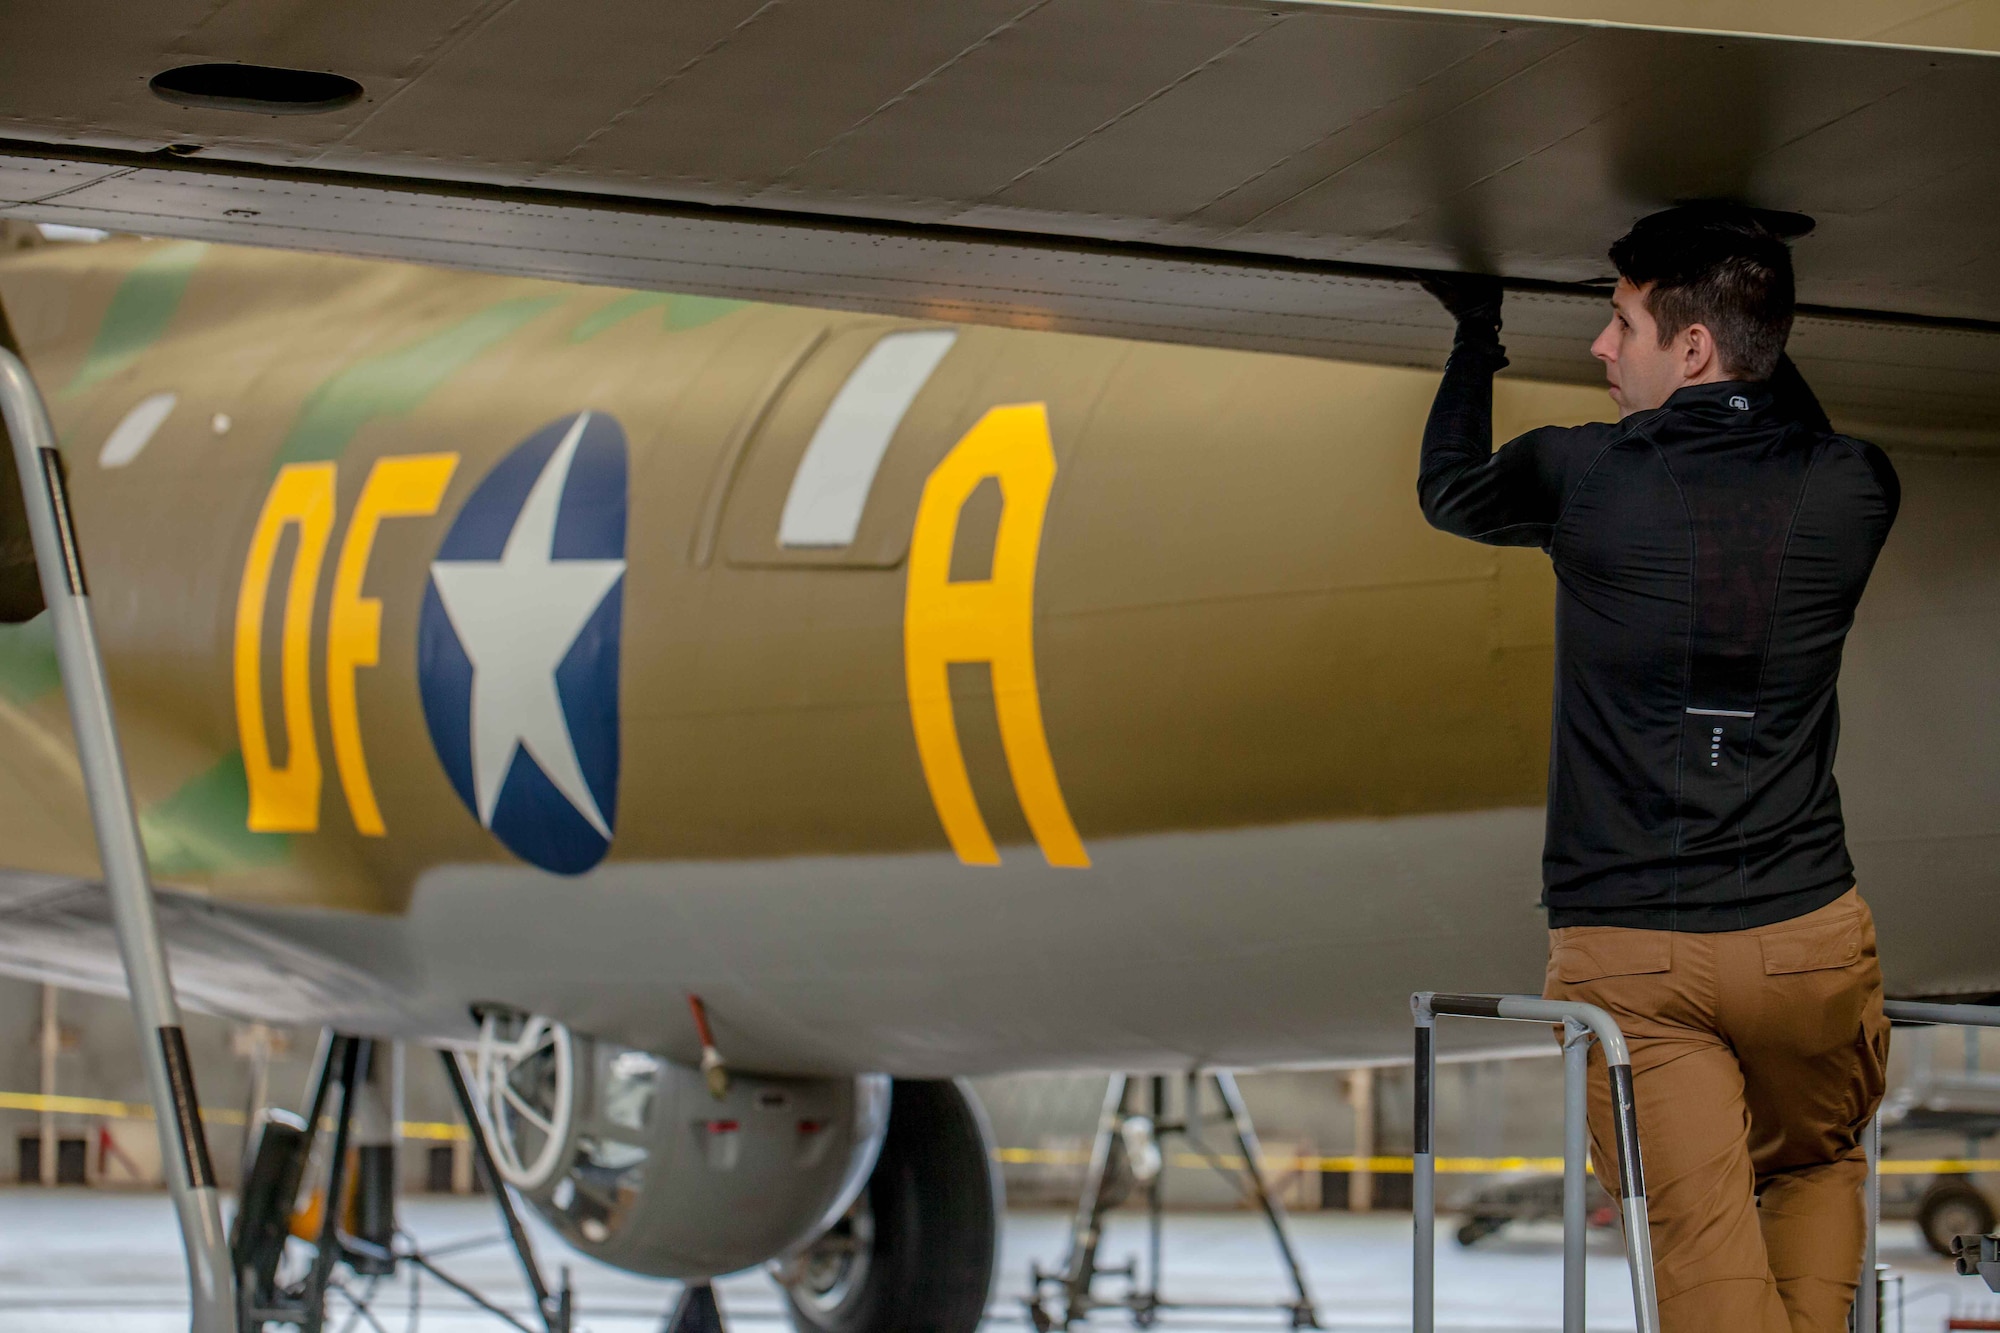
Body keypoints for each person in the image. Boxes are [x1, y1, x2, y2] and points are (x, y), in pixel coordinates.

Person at [1415, 205, 1899, 1332]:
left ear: (1686, 349)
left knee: (1698, 1230)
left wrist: (1473, 331)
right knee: (1814, 1161)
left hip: (1632, 954)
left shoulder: (1583, 476)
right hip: (1804, 942)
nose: (1598, 347)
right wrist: (1746, 292)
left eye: (1619, 322)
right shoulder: (1854, 486)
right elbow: (1780, 415)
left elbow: (1446, 491)